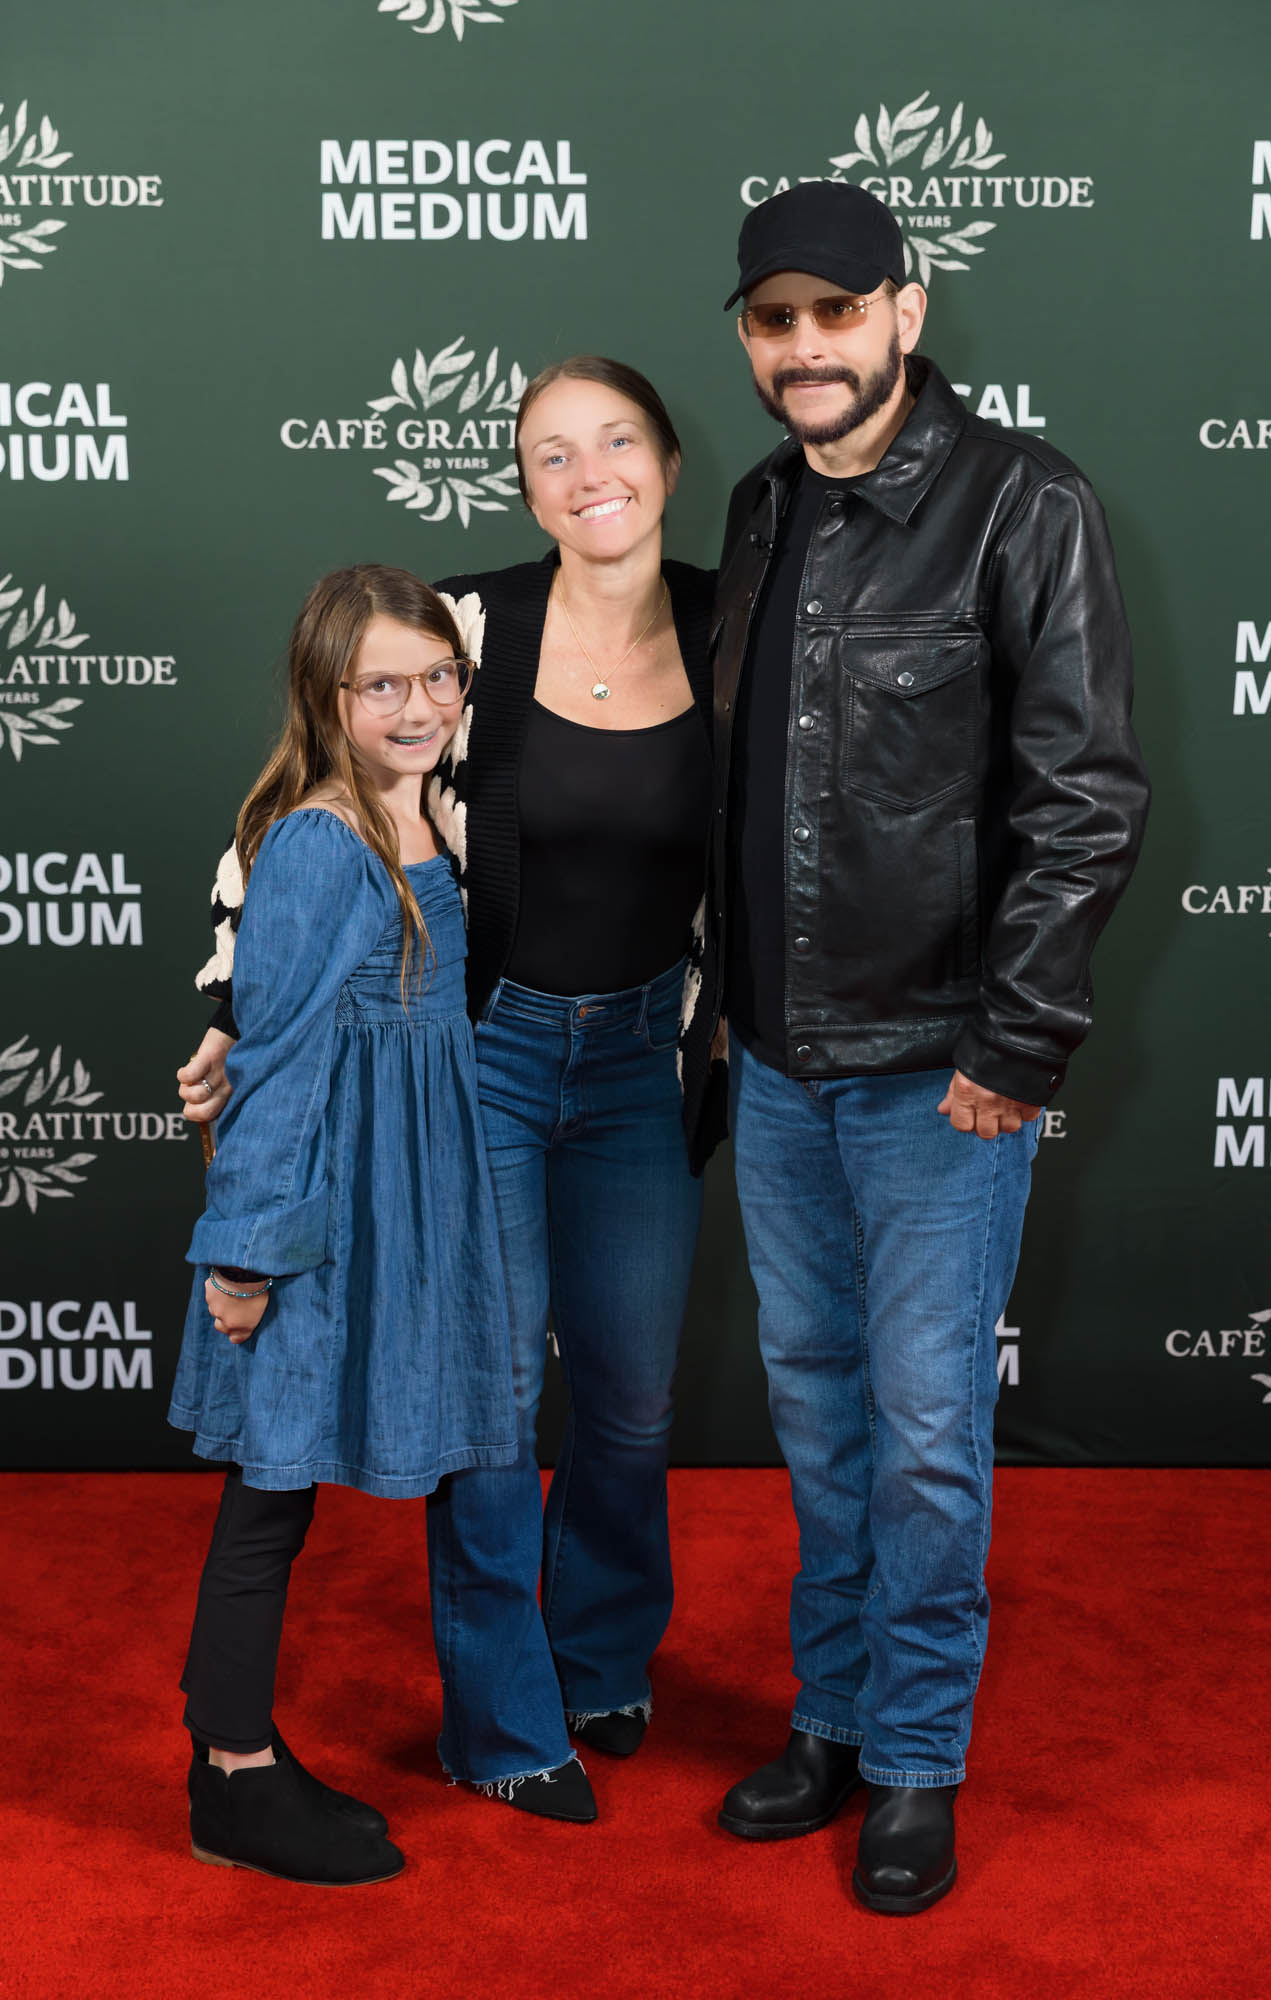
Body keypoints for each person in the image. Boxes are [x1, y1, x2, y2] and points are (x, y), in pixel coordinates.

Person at [685, 183, 1150, 1912]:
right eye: (773, 320)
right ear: (748, 338)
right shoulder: (756, 507)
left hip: (939, 1071)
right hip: (777, 1063)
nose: (805, 346)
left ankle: (913, 1757)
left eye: (836, 311)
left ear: (906, 308)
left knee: (930, 1432)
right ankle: (829, 1715)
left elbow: (1084, 798)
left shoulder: (1022, 502)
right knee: (817, 1419)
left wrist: (1016, 1045)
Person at [179, 358, 719, 1824]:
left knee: (630, 1396)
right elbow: (291, 822)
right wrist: (235, 1008)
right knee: (492, 1397)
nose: (590, 475)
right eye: (552, 453)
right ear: (524, 485)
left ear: (669, 462)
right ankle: (504, 1725)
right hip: (483, 1054)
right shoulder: (468, 627)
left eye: (617, 441)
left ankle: (598, 1664)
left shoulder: (729, 626)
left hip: (638, 1060)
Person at [171, 565, 517, 1885]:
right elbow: (277, 1068)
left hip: (397, 1197)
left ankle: (238, 1747)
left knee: (285, 1491)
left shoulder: (425, 809)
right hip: (316, 1215)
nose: (419, 705)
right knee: (268, 1495)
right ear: (327, 695)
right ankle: (230, 1775)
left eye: (438, 676)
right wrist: (247, 1256)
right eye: (384, 684)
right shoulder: (324, 841)